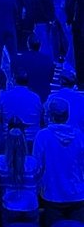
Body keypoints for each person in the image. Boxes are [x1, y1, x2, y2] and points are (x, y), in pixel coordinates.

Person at [33, 95, 84, 224]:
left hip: (52, 195)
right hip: (77, 194)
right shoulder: (79, 136)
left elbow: (37, 167)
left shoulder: (42, 136)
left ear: (50, 116)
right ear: (67, 115)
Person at [0, 124, 42, 223]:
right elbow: (38, 183)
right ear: (24, 142)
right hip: (30, 206)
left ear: (7, 143)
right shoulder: (33, 162)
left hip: (9, 206)